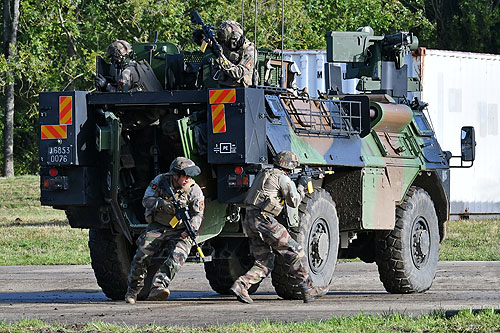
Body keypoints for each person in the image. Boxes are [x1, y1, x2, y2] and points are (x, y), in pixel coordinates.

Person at [230, 151, 328, 304]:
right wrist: (301, 185)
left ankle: (241, 285)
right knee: (297, 251)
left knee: (265, 261)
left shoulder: (264, 173)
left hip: (249, 220)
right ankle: (308, 288)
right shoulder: (282, 178)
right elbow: (294, 202)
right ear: (289, 167)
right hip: (264, 220)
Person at [125, 157, 205, 304]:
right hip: (159, 226)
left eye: (190, 176)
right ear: (175, 175)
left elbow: (198, 214)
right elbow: (146, 200)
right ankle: (133, 291)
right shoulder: (160, 181)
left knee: (177, 256)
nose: (188, 179)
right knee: (141, 255)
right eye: (185, 176)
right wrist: (162, 204)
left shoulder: (194, 190)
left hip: (181, 229)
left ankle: (158, 286)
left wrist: (191, 229)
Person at [95, 39, 162, 92]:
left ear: (118, 58)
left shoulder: (126, 74)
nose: (113, 62)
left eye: (113, 58)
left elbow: (121, 97)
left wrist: (107, 85)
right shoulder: (143, 66)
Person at [214, 20, 257, 87]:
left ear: (234, 38)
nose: (225, 43)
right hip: (222, 87)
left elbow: (238, 73)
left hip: (240, 90)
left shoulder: (249, 50)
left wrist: (220, 58)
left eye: (227, 40)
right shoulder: (226, 44)